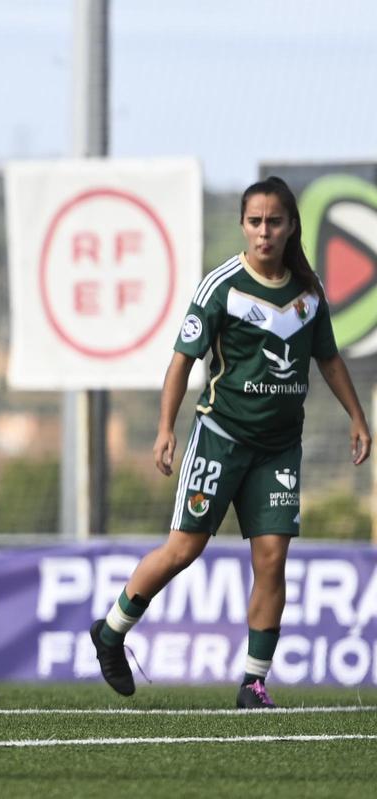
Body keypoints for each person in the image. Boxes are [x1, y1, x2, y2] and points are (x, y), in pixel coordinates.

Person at [89, 176, 371, 708]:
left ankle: (253, 684)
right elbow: (182, 362)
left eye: (275, 222)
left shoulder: (309, 291)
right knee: (184, 549)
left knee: (272, 559)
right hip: (220, 438)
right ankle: (110, 632)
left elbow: (328, 358)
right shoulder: (221, 286)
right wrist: (166, 428)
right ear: (243, 225)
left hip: (279, 448)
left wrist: (357, 417)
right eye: (255, 222)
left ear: (291, 227)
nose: (265, 232)